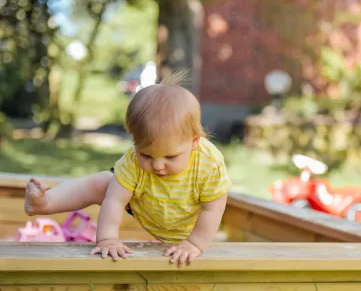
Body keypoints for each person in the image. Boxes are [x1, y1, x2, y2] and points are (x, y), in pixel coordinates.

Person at [23, 70, 232, 267]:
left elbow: (213, 208)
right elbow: (114, 200)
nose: (158, 165)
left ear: (194, 141)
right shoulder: (132, 161)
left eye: (170, 156)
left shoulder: (208, 164)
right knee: (104, 183)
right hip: (146, 205)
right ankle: (45, 202)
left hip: (188, 222)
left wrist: (195, 243)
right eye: (147, 155)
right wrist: (107, 239)